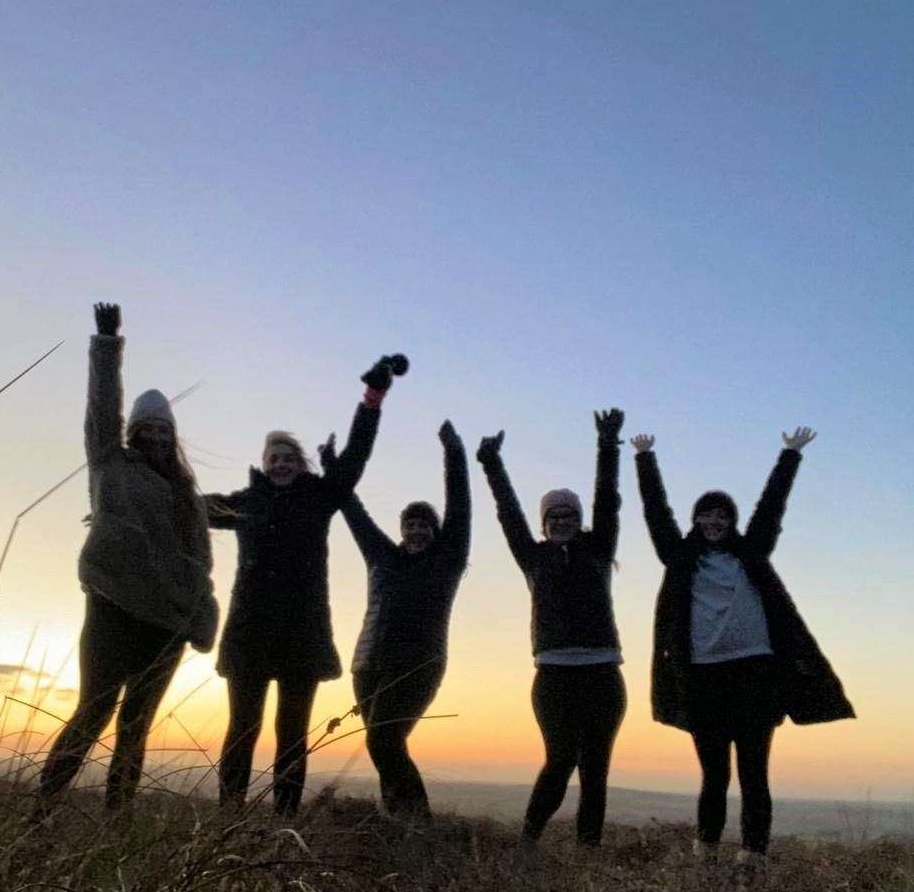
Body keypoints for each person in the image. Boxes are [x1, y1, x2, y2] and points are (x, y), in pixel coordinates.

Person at [630, 426, 855, 866]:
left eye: (722, 516)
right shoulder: (678, 559)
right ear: (695, 521)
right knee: (714, 775)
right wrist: (644, 459)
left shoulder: (752, 552)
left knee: (755, 774)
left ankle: (752, 859)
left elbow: (771, 507)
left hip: (756, 676)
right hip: (701, 678)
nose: (714, 522)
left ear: (731, 522)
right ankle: (707, 856)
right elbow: (656, 512)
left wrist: (789, 454)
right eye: (706, 515)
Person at [206, 354, 405, 815]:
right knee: (242, 727)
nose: (280, 464)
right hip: (249, 633)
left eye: (288, 457)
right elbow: (185, 506)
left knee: (293, 731)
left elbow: (356, 455)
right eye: (273, 458)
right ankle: (228, 816)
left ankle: (285, 820)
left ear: (301, 463)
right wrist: (130, 511)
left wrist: (372, 399)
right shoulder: (244, 503)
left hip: (302, 634)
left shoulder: (320, 496)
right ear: (263, 464)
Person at [38, 302, 218, 809]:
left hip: (165, 624)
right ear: (133, 431)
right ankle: (42, 811)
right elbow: (101, 408)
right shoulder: (110, 465)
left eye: (165, 430)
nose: (157, 437)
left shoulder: (186, 492)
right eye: (148, 428)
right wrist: (107, 342)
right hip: (113, 608)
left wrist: (198, 615)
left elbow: (201, 562)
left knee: (135, 727)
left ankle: (115, 825)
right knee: (92, 713)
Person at [476, 409, 626, 847]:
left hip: (603, 673)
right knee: (559, 761)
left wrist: (607, 444)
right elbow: (508, 513)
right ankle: (527, 843)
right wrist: (491, 463)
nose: (561, 520)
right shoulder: (532, 556)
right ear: (544, 523)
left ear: (578, 519)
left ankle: (588, 855)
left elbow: (607, 499)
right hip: (554, 675)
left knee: (596, 768)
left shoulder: (598, 550)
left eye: (568, 514)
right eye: (553, 516)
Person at [333, 419, 471, 820]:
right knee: (385, 745)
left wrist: (453, 452)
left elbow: (460, 505)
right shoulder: (382, 557)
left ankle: (419, 823)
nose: (416, 530)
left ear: (436, 530)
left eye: (424, 524)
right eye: (409, 524)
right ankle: (398, 822)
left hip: (418, 665)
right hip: (368, 665)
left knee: (384, 739)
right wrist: (333, 466)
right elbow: (355, 513)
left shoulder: (447, 560)